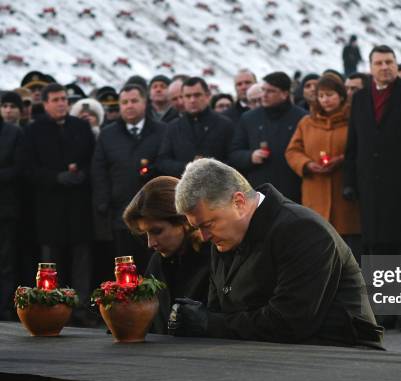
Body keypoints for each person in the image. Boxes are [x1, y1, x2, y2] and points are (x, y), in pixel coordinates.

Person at [168, 158, 383, 348]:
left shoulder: (302, 230)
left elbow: (289, 323)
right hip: (275, 353)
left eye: (208, 224)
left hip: (343, 356)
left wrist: (208, 322)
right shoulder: (224, 237)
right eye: (198, 228)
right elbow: (222, 312)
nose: (204, 237)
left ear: (239, 202)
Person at [343, 45, 401, 255]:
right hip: (370, 187)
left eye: (389, 62)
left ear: (396, 63)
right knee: (375, 248)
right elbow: (353, 143)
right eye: (379, 63)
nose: (384, 67)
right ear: (370, 67)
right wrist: (349, 182)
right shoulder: (360, 98)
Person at [24, 83, 96, 324]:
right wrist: (57, 177)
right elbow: (29, 170)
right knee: (51, 264)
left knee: (81, 263)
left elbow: (92, 161)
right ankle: (52, 309)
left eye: (64, 99)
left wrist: (81, 174)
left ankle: (81, 310)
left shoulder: (81, 127)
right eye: (55, 99)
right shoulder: (34, 131)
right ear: (45, 104)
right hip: (49, 209)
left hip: (78, 207)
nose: (61, 103)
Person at [91, 83, 167, 268]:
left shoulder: (162, 131)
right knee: (125, 270)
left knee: (154, 269)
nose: (129, 106)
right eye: (124, 102)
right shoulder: (108, 135)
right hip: (120, 214)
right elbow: (99, 172)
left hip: (154, 213)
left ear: (145, 102)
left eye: (134, 101)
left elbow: (166, 165)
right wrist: (103, 205)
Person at [123, 176, 211, 334]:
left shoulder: (213, 257)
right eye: (146, 234)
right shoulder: (158, 261)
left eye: (157, 231)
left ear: (184, 221)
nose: (151, 243)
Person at [285, 74, 361, 256]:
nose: (325, 100)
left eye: (330, 95)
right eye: (321, 96)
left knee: (349, 254)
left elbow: (362, 149)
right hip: (315, 193)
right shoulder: (307, 123)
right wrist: (307, 164)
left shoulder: (354, 120)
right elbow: (292, 151)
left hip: (346, 198)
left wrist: (342, 160)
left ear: (341, 95)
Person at [228, 71, 307, 203]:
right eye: (263, 90)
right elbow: (234, 153)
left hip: (294, 189)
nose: (264, 95)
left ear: (284, 94)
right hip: (260, 191)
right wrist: (250, 156)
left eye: (270, 91)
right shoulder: (249, 118)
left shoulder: (302, 118)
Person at [157, 77, 234, 177]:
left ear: (207, 96)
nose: (192, 100)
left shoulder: (225, 124)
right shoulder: (173, 127)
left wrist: (212, 169)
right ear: (183, 98)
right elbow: (163, 161)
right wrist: (188, 167)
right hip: (183, 186)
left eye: (197, 95)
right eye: (188, 96)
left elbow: (233, 158)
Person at [0, 112, 24, 320]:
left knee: (6, 261)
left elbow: (18, 168)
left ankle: (5, 307)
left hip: (6, 210)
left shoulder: (12, 133)